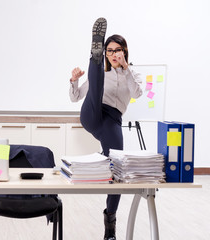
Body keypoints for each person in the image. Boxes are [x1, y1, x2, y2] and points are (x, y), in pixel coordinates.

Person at [69, 18, 143, 240]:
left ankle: (110, 221)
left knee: (117, 167)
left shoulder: (134, 73)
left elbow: (138, 93)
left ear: (124, 51)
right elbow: (75, 97)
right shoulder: (102, 72)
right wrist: (73, 80)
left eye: (116, 50)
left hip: (112, 120)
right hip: (92, 111)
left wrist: (126, 68)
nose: (113, 54)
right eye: (108, 50)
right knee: (97, 79)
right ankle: (94, 56)